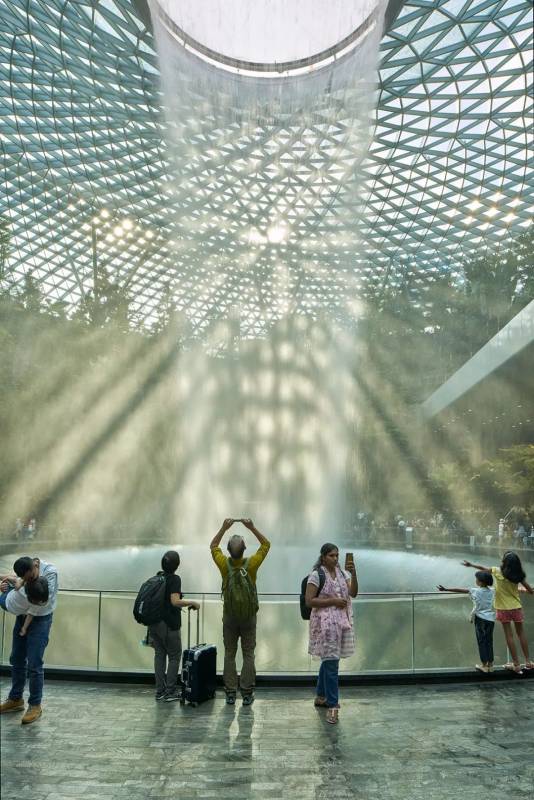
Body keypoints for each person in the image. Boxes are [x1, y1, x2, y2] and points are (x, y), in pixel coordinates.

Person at [210, 517, 270, 706]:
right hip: (249, 617)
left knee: (229, 653)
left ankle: (229, 692)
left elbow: (213, 546)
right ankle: (246, 693)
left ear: (228, 551)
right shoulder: (251, 564)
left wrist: (223, 528)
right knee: (248, 653)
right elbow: (266, 544)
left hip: (229, 616)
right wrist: (251, 527)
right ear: (245, 550)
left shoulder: (223, 564)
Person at [0, 555, 59, 724]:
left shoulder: (50, 573)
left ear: (35, 566)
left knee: (34, 662)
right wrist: (11, 583)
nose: (28, 580)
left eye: (31, 577)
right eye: (25, 579)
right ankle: (15, 699)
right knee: (16, 658)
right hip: (23, 616)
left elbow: (42, 602)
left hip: (41, 619)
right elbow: (18, 582)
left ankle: (35, 705)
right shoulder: (27, 571)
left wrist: (26, 623)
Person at [305, 543, 358, 725]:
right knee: (332, 664)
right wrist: (333, 601)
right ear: (323, 557)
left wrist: (354, 573)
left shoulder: (343, 574)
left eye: (337, 555)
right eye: (331, 556)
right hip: (325, 627)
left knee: (329, 660)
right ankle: (333, 706)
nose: (335, 559)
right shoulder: (316, 575)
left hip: (341, 624)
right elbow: (309, 601)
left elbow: (354, 593)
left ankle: (321, 696)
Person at [462, 552, 533, 674]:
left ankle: (516, 665)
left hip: (502, 608)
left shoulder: (496, 571)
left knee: (509, 636)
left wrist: (471, 565)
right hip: (516, 607)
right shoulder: (518, 575)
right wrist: (523, 589)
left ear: (505, 562)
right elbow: (530, 591)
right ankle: (528, 662)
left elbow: (483, 569)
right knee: (521, 634)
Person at [148, 550, 200, 702]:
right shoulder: (174, 579)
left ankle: (159, 691)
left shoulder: (158, 577)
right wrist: (192, 602)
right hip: (169, 625)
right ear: (177, 565)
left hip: (155, 625)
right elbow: (175, 601)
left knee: (159, 655)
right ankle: (170, 691)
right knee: (174, 656)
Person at [437, 571, 495, 673]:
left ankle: (484, 665)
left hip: (480, 619)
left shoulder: (475, 591)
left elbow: (460, 590)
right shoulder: (492, 591)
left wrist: (445, 589)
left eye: (477, 579)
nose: (475, 580)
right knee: (489, 641)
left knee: (481, 641)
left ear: (481, 582)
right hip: (490, 619)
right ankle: (490, 665)